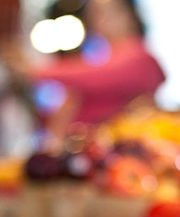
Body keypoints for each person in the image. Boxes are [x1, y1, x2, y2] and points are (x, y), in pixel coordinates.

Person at [11, 0, 166, 137]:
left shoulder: (139, 56)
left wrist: (36, 71)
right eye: (95, 14)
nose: (99, 21)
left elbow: (100, 75)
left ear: (130, 15)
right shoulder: (100, 57)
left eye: (106, 13)